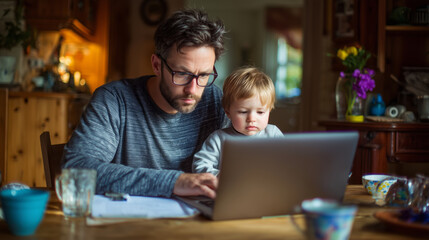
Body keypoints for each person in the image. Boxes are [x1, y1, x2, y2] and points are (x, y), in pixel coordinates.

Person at [62, 9, 230, 199]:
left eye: (204, 75)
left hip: (198, 220)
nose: (192, 89)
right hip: (130, 223)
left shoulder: (214, 99)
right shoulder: (114, 100)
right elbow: (75, 169)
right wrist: (174, 182)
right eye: (182, 74)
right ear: (157, 65)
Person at [192, 67, 283, 176]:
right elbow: (200, 165)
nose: (251, 119)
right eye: (243, 112)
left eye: (260, 112)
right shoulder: (219, 139)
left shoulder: (273, 134)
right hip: (230, 189)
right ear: (228, 113)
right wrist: (224, 178)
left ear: (269, 110)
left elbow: (287, 163)